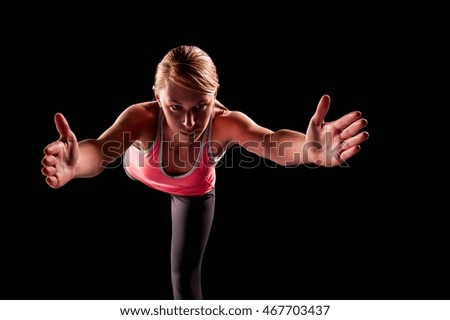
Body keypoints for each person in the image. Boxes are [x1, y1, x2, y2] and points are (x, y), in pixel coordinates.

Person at [41, 45, 369, 299]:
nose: (189, 122)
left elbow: (272, 143)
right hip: (137, 172)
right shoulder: (141, 119)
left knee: (184, 278)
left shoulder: (225, 124)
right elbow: (100, 151)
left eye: (201, 106)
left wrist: (308, 152)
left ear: (215, 97)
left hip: (193, 192)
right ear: (156, 97)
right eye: (175, 107)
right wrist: (75, 165)